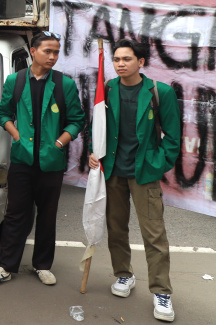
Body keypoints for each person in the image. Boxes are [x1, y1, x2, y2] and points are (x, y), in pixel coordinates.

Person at [0, 32, 85, 289]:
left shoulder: (64, 84)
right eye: (47, 51)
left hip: (51, 162)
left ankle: (43, 265)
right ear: (33, 51)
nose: (52, 57)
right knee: (16, 215)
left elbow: (77, 120)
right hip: (22, 161)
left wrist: (60, 142)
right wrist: (15, 134)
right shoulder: (15, 81)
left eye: (56, 52)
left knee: (48, 216)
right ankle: (5, 266)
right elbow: (3, 113)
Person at [87, 40, 181, 322]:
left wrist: (157, 164)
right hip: (113, 171)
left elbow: (173, 138)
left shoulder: (158, 92)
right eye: (116, 59)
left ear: (141, 62)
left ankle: (162, 292)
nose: (120, 64)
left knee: (154, 235)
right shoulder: (108, 89)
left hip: (144, 172)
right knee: (116, 229)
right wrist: (95, 152)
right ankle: (124, 275)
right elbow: (98, 127)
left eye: (127, 59)